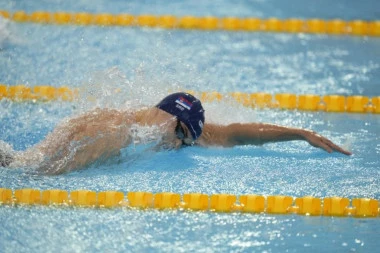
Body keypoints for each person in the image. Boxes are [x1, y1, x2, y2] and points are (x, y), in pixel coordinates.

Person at [0, 92, 351, 174]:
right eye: (181, 134)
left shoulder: (161, 125)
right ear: (168, 118)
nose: (180, 144)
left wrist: (299, 132)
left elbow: (236, 134)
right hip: (87, 140)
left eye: (187, 138)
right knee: (22, 167)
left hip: (81, 131)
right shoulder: (118, 135)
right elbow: (35, 177)